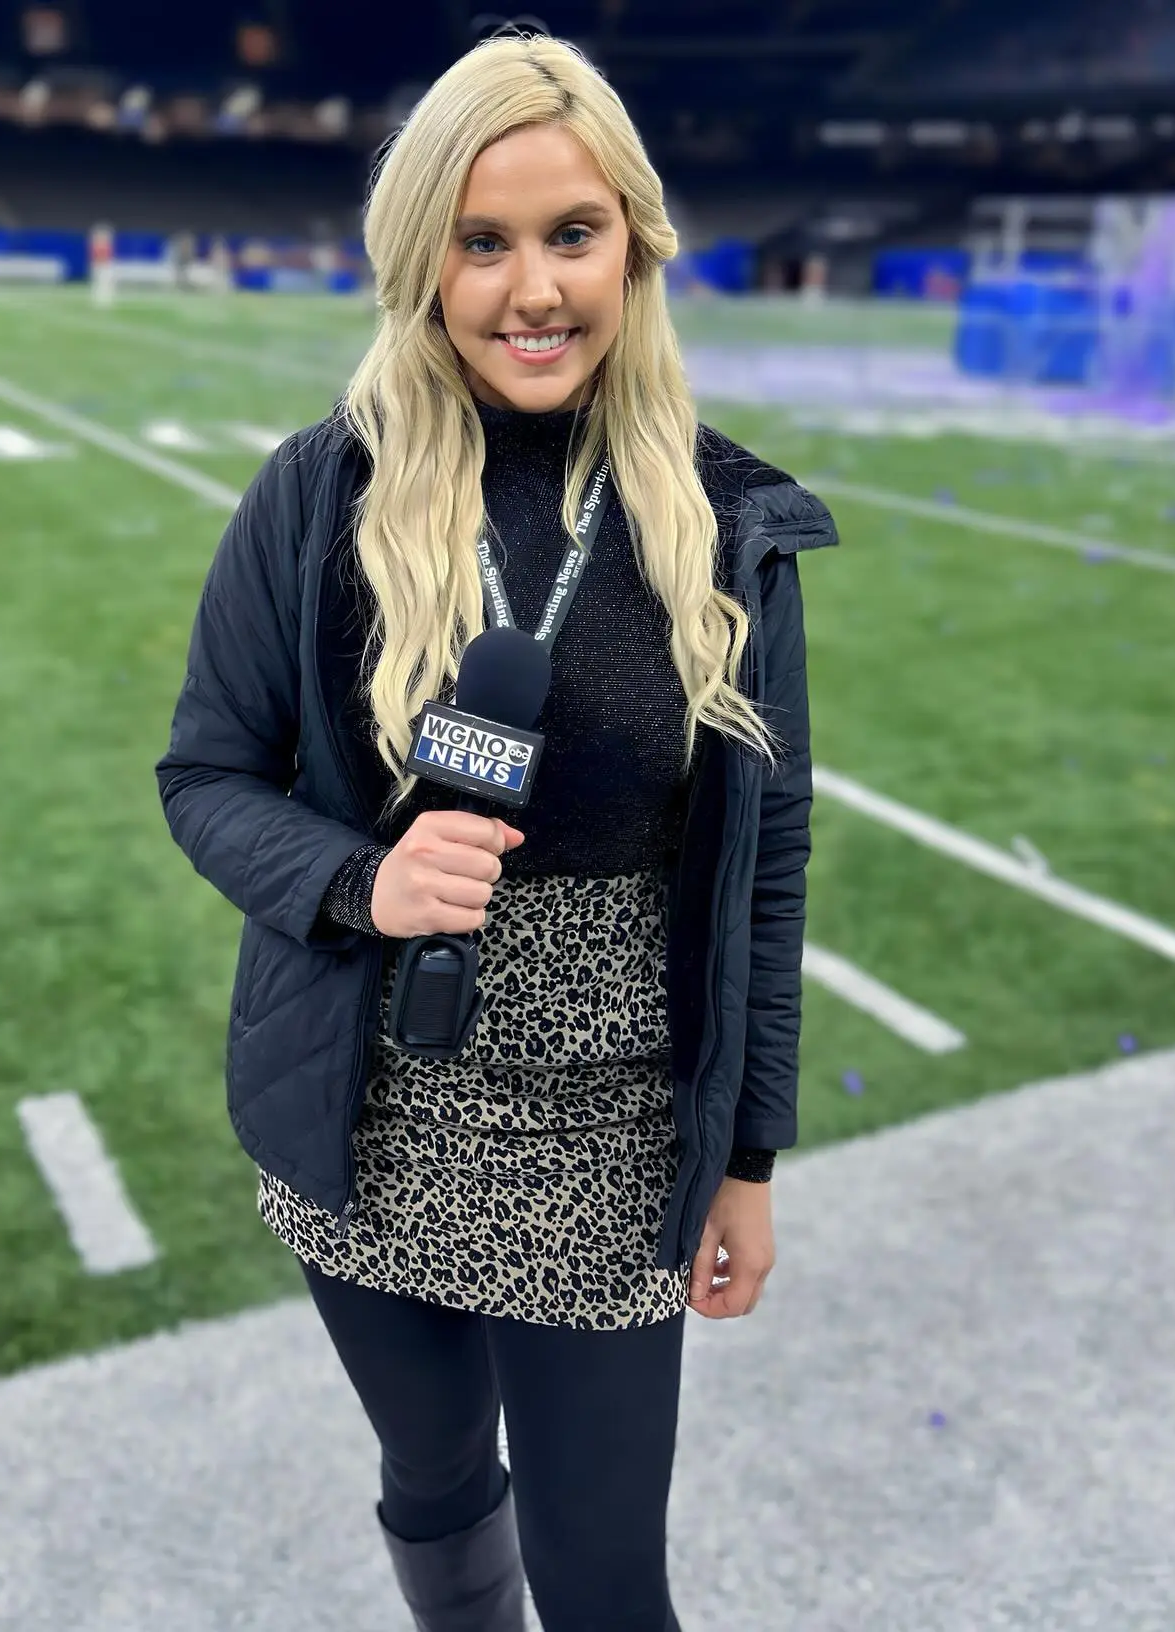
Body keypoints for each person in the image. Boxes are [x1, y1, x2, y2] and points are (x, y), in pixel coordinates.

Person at [154, 29, 837, 1632]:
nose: (534, 289)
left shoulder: (728, 525)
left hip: (614, 1128)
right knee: (439, 1474)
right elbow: (206, 776)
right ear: (425, 264)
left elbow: (771, 866)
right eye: (483, 242)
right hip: (369, 1103)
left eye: (571, 234)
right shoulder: (317, 495)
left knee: (604, 1580)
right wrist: (361, 880)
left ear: (633, 247)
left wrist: (748, 1159)